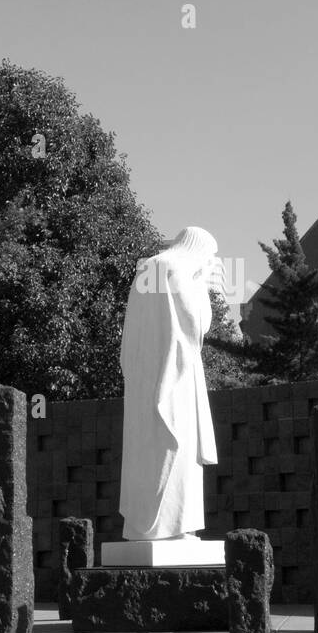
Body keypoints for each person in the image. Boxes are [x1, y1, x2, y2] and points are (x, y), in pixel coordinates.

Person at [118, 226, 221, 541]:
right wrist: (202, 285)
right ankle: (171, 528)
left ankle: (141, 526)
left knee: (145, 450)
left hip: (143, 377)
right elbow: (196, 324)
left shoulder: (147, 267)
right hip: (174, 376)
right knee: (175, 449)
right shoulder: (176, 269)